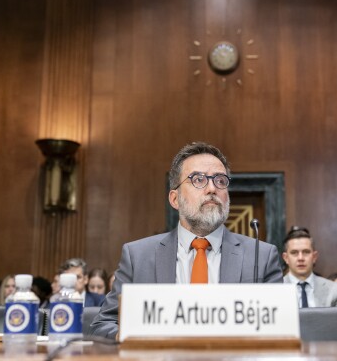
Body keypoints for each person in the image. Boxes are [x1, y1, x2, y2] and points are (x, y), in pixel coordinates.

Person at [90, 142, 283, 339]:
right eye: (198, 179)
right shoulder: (138, 257)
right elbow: (104, 325)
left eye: (220, 181)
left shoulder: (263, 256)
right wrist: (137, 339)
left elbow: (281, 330)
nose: (211, 188)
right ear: (175, 199)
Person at [282, 226, 337, 308]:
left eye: (306, 252)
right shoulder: (274, 290)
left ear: (314, 257)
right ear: (286, 258)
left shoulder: (335, 291)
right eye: (294, 253)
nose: (300, 258)